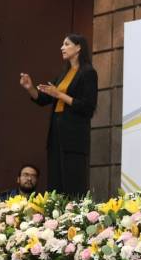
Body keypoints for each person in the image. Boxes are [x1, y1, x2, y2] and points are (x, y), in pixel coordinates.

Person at [19, 34, 97, 196]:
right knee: (56, 181)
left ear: (78, 47)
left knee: (73, 182)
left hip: (74, 136)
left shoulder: (88, 72)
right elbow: (43, 99)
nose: (62, 48)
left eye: (67, 44)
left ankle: (73, 210)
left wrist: (59, 94)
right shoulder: (64, 73)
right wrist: (30, 88)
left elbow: (87, 107)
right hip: (56, 133)